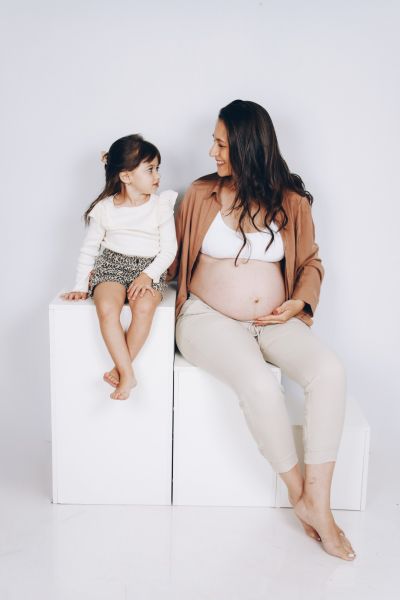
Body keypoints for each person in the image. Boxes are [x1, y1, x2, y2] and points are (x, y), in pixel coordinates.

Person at [167, 100, 356, 561]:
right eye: (213, 142)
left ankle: (319, 501)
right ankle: (300, 496)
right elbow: (167, 257)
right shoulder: (199, 195)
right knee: (258, 384)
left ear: (248, 147)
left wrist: (298, 302)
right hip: (207, 318)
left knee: (329, 372)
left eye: (221, 144)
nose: (212, 152)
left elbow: (311, 262)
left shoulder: (291, 201)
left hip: (273, 320)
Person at [61, 134, 178, 401]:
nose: (157, 175)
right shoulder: (105, 209)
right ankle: (128, 373)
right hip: (112, 265)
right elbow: (89, 249)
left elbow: (169, 250)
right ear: (126, 176)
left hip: (149, 267)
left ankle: (121, 370)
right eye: (150, 169)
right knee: (107, 307)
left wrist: (148, 276)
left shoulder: (161, 206)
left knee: (144, 307)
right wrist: (80, 285)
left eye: (158, 168)